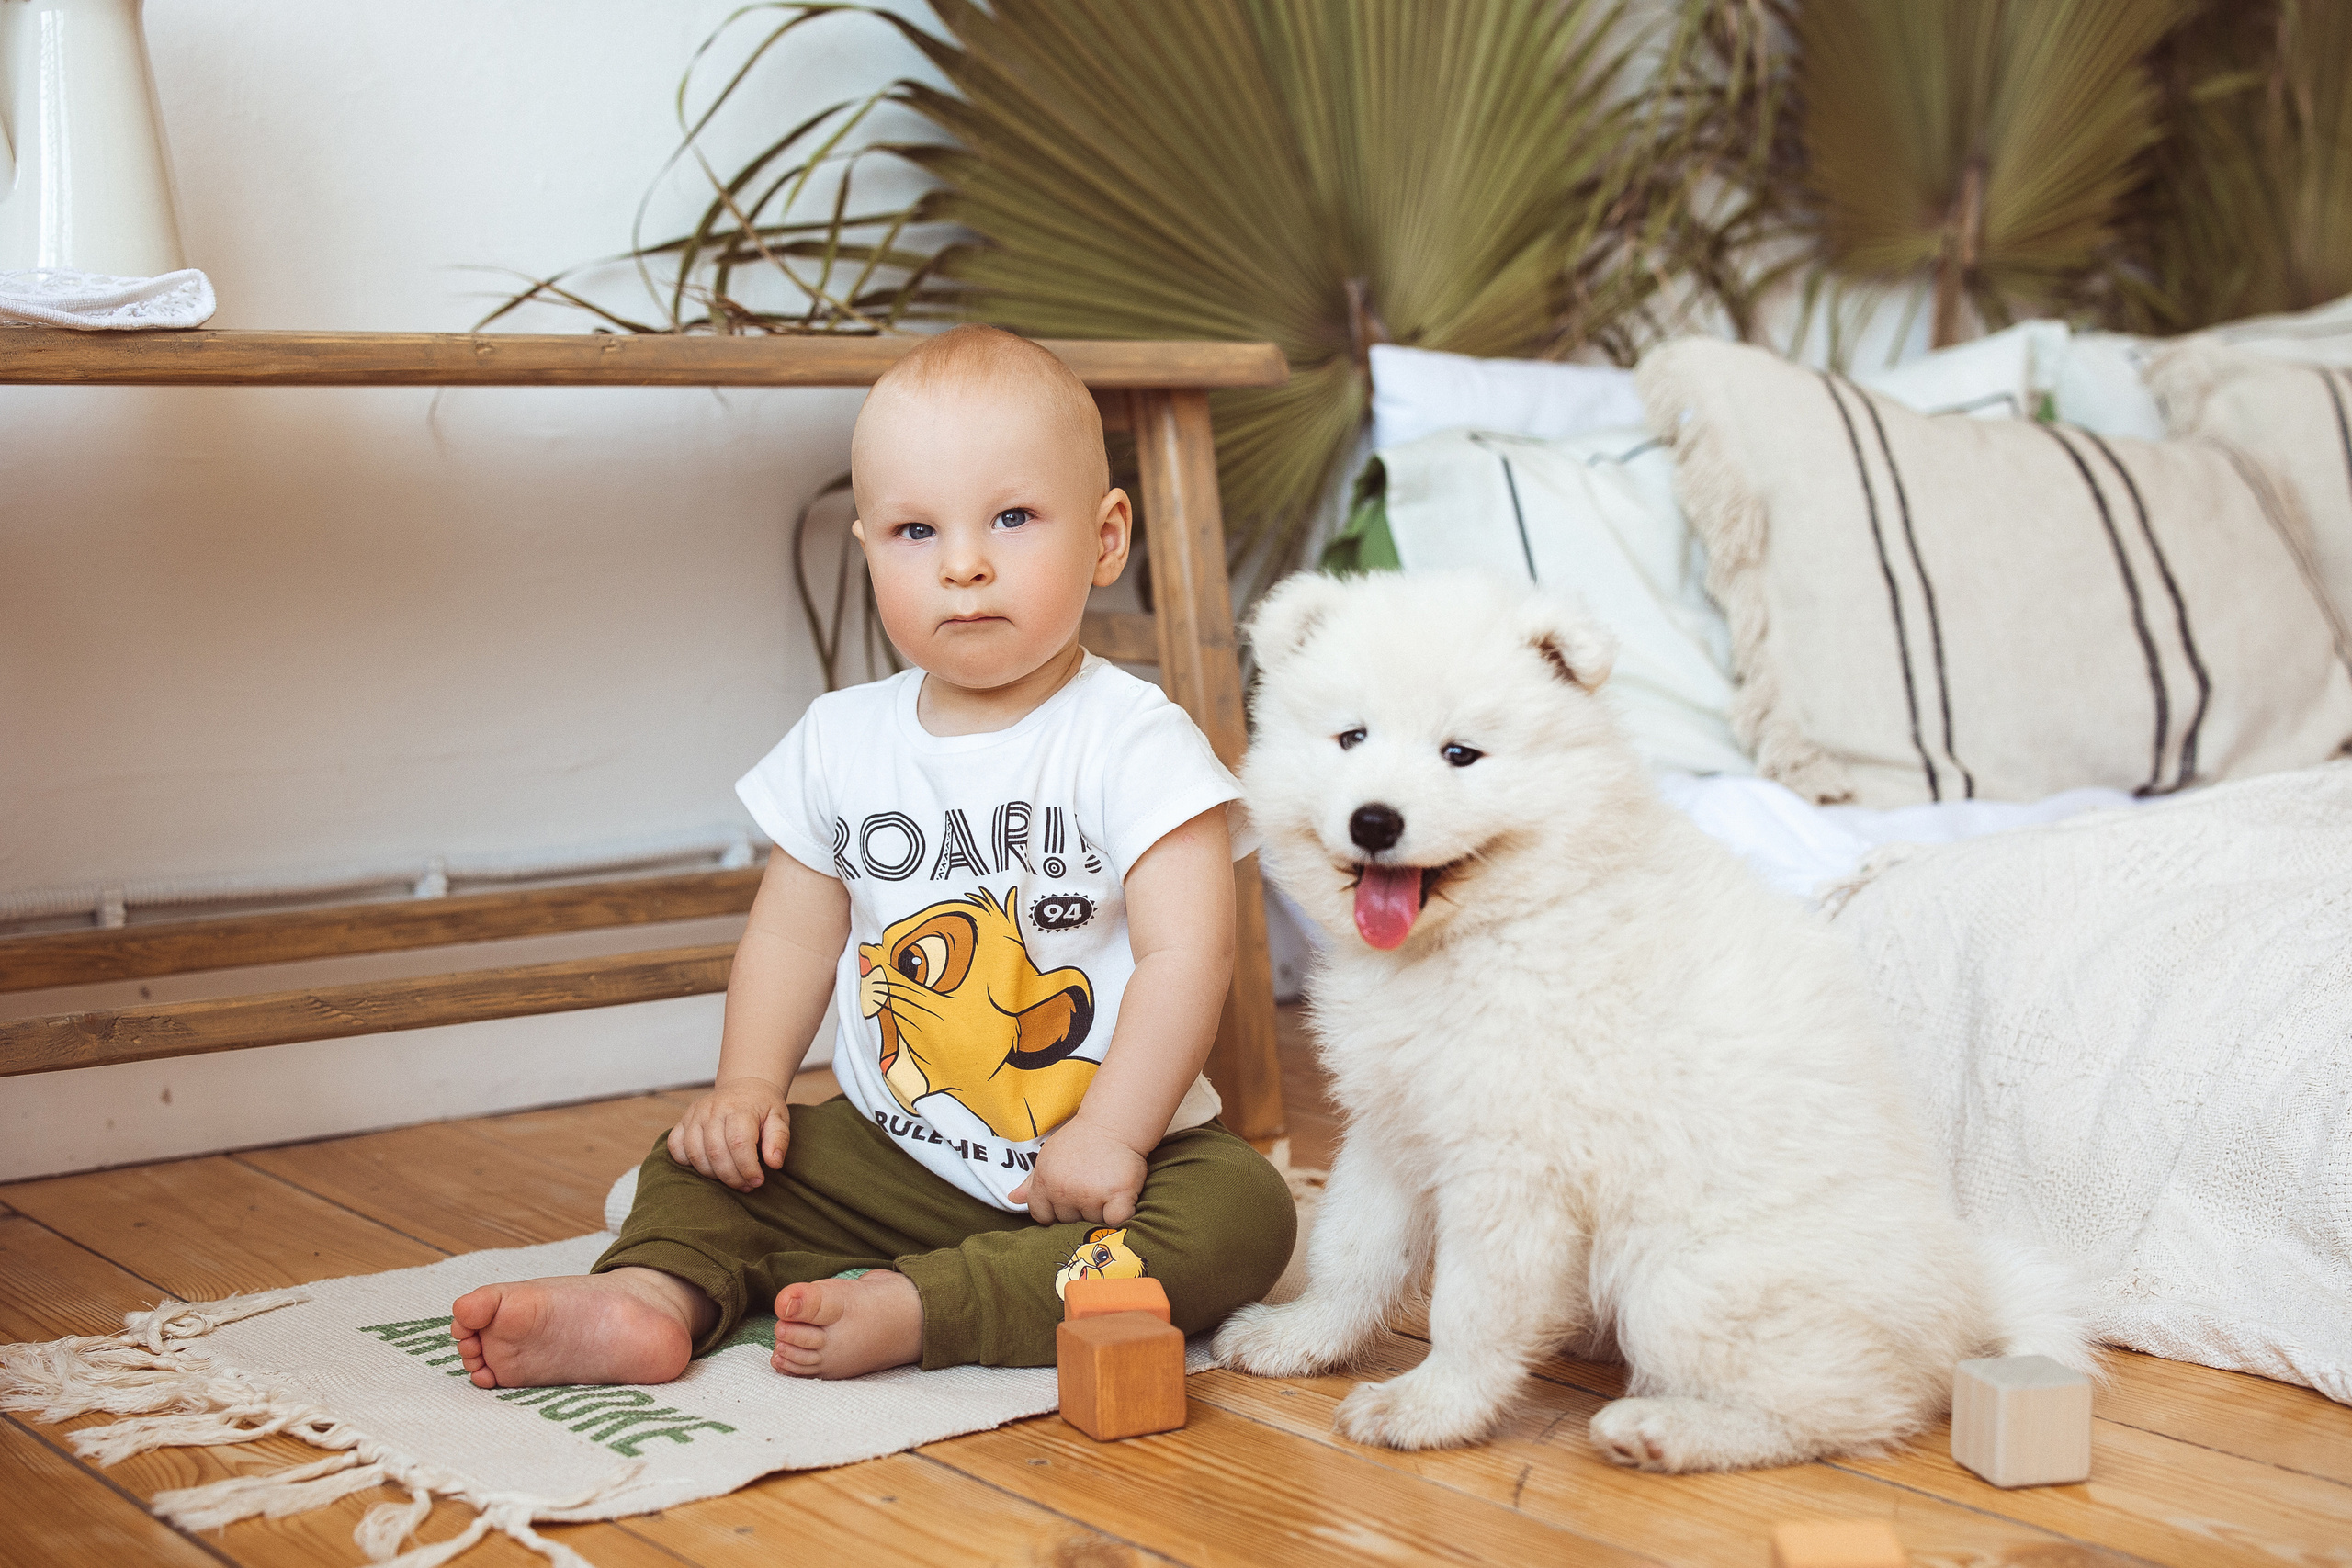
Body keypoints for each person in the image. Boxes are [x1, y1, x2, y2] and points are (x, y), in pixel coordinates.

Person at [448, 324, 1295, 1386]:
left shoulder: (1134, 740)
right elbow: (792, 938)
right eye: (913, 531)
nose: (963, 564)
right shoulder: (840, 741)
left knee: (1245, 1217)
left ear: (1107, 537)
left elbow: (1187, 960)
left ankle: (924, 1307)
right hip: (897, 1149)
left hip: (1117, 1159)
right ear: (868, 550)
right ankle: (647, 1298)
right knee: (698, 1166)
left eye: (1014, 518)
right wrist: (747, 1088)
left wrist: (1113, 1134)